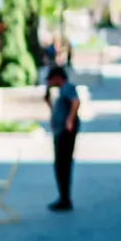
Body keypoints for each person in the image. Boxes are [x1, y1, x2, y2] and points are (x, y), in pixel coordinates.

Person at [45, 65, 79, 211]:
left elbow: (76, 102)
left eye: (51, 79)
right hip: (60, 131)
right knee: (60, 166)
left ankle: (65, 199)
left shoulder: (67, 88)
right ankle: (63, 197)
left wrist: (70, 120)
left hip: (66, 133)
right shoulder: (60, 91)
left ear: (58, 78)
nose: (50, 82)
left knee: (63, 165)